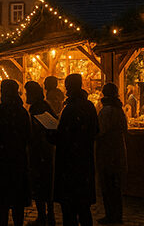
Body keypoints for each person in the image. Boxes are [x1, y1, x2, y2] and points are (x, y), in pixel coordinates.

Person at [0, 80, 31, 226]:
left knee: (1, 203)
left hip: (0, 164)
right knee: (17, 203)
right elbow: (28, 137)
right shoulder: (22, 112)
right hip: (17, 162)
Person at [50, 74, 99, 226]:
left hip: (69, 165)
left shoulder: (70, 108)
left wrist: (50, 134)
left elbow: (62, 136)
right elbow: (96, 130)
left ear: (69, 87)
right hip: (85, 161)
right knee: (84, 208)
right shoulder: (89, 106)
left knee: (69, 209)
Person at [25, 81, 56, 226]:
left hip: (40, 152)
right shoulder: (44, 106)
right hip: (45, 151)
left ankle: (44, 216)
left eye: (27, 93)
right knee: (45, 185)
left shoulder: (38, 109)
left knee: (40, 185)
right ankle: (48, 215)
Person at [96, 83, 127, 225]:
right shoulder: (120, 110)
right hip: (119, 150)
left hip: (107, 152)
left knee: (108, 185)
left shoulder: (105, 111)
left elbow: (100, 131)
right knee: (116, 186)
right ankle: (117, 215)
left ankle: (110, 215)